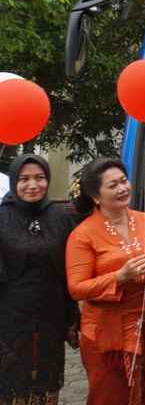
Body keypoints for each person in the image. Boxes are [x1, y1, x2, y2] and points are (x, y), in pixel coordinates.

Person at [66, 158, 145, 405]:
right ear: (95, 196)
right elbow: (76, 288)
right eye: (113, 185)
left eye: (124, 181)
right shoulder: (82, 234)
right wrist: (119, 277)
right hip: (106, 330)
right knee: (110, 394)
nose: (123, 188)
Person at [0, 155, 79, 404]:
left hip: (51, 316)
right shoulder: (2, 218)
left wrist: (72, 319)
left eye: (39, 178)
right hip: (9, 318)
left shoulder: (60, 218)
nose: (32, 185)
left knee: (45, 383)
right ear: (14, 182)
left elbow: (68, 271)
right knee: (12, 383)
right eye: (24, 179)